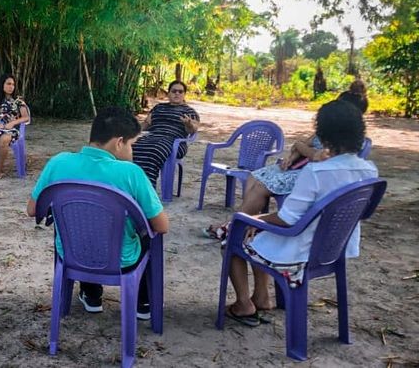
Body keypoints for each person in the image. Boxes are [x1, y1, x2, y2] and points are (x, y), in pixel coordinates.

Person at [225, 100, 377, 326]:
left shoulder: (317, 172)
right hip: (337, 248)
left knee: (235, 236)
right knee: (255, 231)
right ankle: (261, 297)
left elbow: (287, 219)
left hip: (300, 249)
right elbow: (364, 213)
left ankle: (244, 305)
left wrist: (254, 219)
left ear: (324, 134)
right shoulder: (369, 170)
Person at [27, 106, 169, 319]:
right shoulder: (131, 173)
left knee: (79, 223)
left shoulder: (58, 162)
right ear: (119, 142)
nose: (133, 151)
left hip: (71, 255)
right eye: (132, 144)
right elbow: (162, 226)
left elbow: (32, 210)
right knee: (147, 235)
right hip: (121, 260)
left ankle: (91, 295)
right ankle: (143, 303)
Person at [204, 93, 369, 240]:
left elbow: (320, 159)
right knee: (255, 176)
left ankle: (235, 225)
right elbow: (300, 145)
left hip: (306, 174)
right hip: (298, 166)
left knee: (260, 187)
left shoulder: (346, 145)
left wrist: (307, 152)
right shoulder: (328, 134)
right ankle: (245, 221)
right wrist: (293, 156)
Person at [132, 80, 200, 186]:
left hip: (174, 142)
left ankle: (148, 187)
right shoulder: (158, 108)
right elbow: (146, 124)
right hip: (152, 137)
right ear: (168, 93)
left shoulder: (189, 112)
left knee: (154, 150)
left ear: (184, 94)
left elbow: (193, 131)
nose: (177, 93)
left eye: (180, 92)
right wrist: (132, 133)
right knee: (132, 148)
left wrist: (188, 124)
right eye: (174, 91)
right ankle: (133, 184)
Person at [0, 74, 30, 181]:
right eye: (8, 84)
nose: (11, 87)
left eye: (13, 84)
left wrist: (13, 123)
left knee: (4, 139)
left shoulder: (18, 100)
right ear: (2, 85)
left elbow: (26, 117)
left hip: (11, 129)